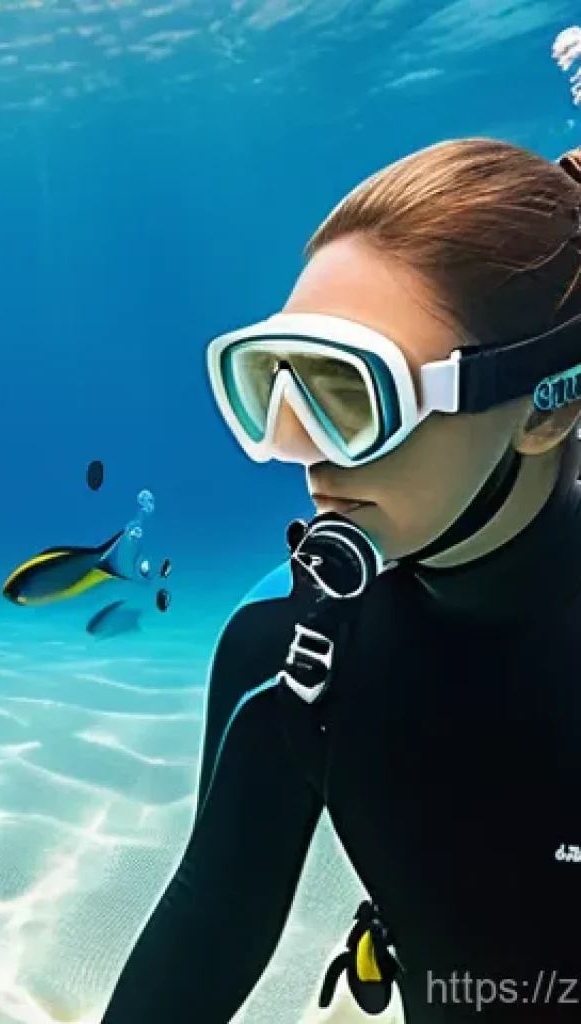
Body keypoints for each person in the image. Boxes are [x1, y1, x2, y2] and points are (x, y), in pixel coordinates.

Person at [100, 139, 581, 1023]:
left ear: (545, 405)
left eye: (350, 393)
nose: (299, 445)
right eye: (275, 386)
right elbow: (209, 932)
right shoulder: (288, 647)